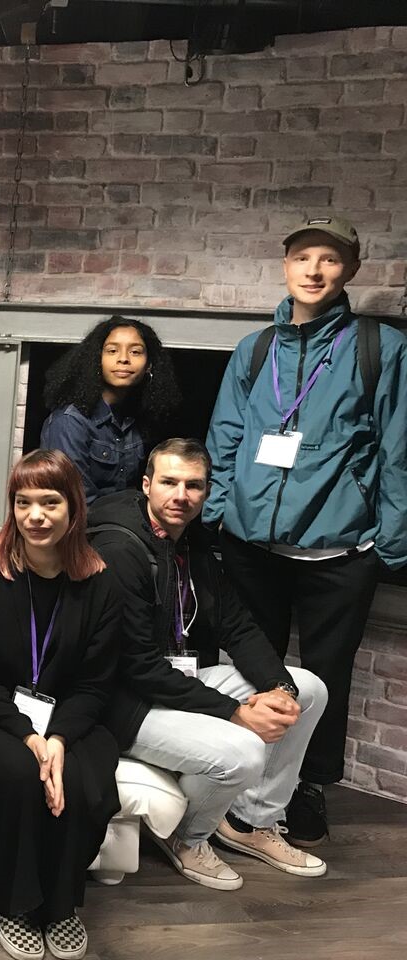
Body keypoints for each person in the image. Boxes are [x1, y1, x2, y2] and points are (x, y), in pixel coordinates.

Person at [205, 214, 407, 845]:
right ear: (285, 265)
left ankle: (309, 785)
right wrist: (216, 516)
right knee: (250, 667)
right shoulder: (254, 348)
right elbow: (226, 435)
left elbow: (398, 449)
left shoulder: (380, 347)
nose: (314, 271)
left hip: (339, 552)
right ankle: (242, 775)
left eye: (329, 259)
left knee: (328, 674)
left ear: (350, 269)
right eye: (302, 258)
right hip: (250, 547)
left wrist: (389, 543)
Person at [89, 440, 327, 891]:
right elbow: (137, 668)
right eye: (169, 482)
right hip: (124, 704)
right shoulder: (118, 549)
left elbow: (236, 625)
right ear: (147, 485)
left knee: (308, 689)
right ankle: (186, 836)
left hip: (177, 679)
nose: (181, 495)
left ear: (206, 491)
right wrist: (235, 712)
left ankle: (249, 821)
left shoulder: (193, 542)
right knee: (245, 750)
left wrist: (278, 688)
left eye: (193, 485)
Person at [0, 450, 120, 960]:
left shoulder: (100, 582)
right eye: (23, 503)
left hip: (70, 718)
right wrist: (28, 735)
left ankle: (61, 906)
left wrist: (58, 739)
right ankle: (15, 904)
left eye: (49, 502)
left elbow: (96, 683)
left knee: (80, 780)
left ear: (74, 507)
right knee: (20, 771)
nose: (35, 515)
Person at [40, 316, 181, 503]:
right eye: (112, 351)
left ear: (149, 365)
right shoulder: (69, 421)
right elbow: (78, 501)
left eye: (135, 352)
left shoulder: (142, 418)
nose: (123, 359)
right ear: (97, 359)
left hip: (127, 517)